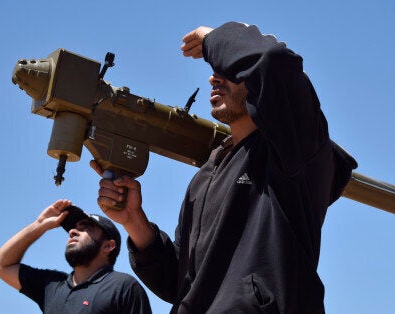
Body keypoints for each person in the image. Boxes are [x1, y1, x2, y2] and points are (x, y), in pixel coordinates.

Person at [92, 22, 357, 313]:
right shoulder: (205, 175)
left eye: (232, 70)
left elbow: (273, 61)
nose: (213, 78)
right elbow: (179, 285)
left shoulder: (294, 150)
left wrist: (213, 38)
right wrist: (134, 222)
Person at [0, 199, 152, 314]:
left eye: (86, 227)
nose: (73, 231)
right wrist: (39, 225)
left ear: (108, 246)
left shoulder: (123, 287)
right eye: (73, 228)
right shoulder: (51, 285)